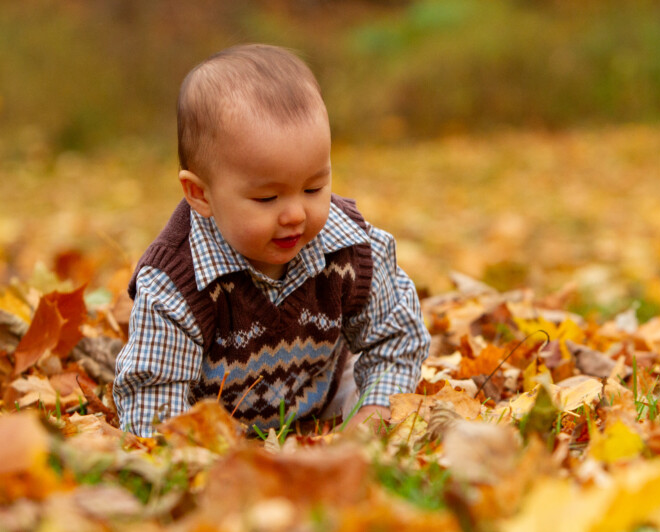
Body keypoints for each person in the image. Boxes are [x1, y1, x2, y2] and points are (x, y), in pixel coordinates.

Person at [113, 44, 430, 437]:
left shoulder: (351, 250)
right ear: (200, 194)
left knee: (375, 399)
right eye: (267, 198)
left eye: (314, 188)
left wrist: (377, 410)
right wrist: (191, 453)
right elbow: (156, 393)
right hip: (216, 427)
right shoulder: (177, 283)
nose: (296, 214)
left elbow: (394, 336)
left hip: (320, 403)